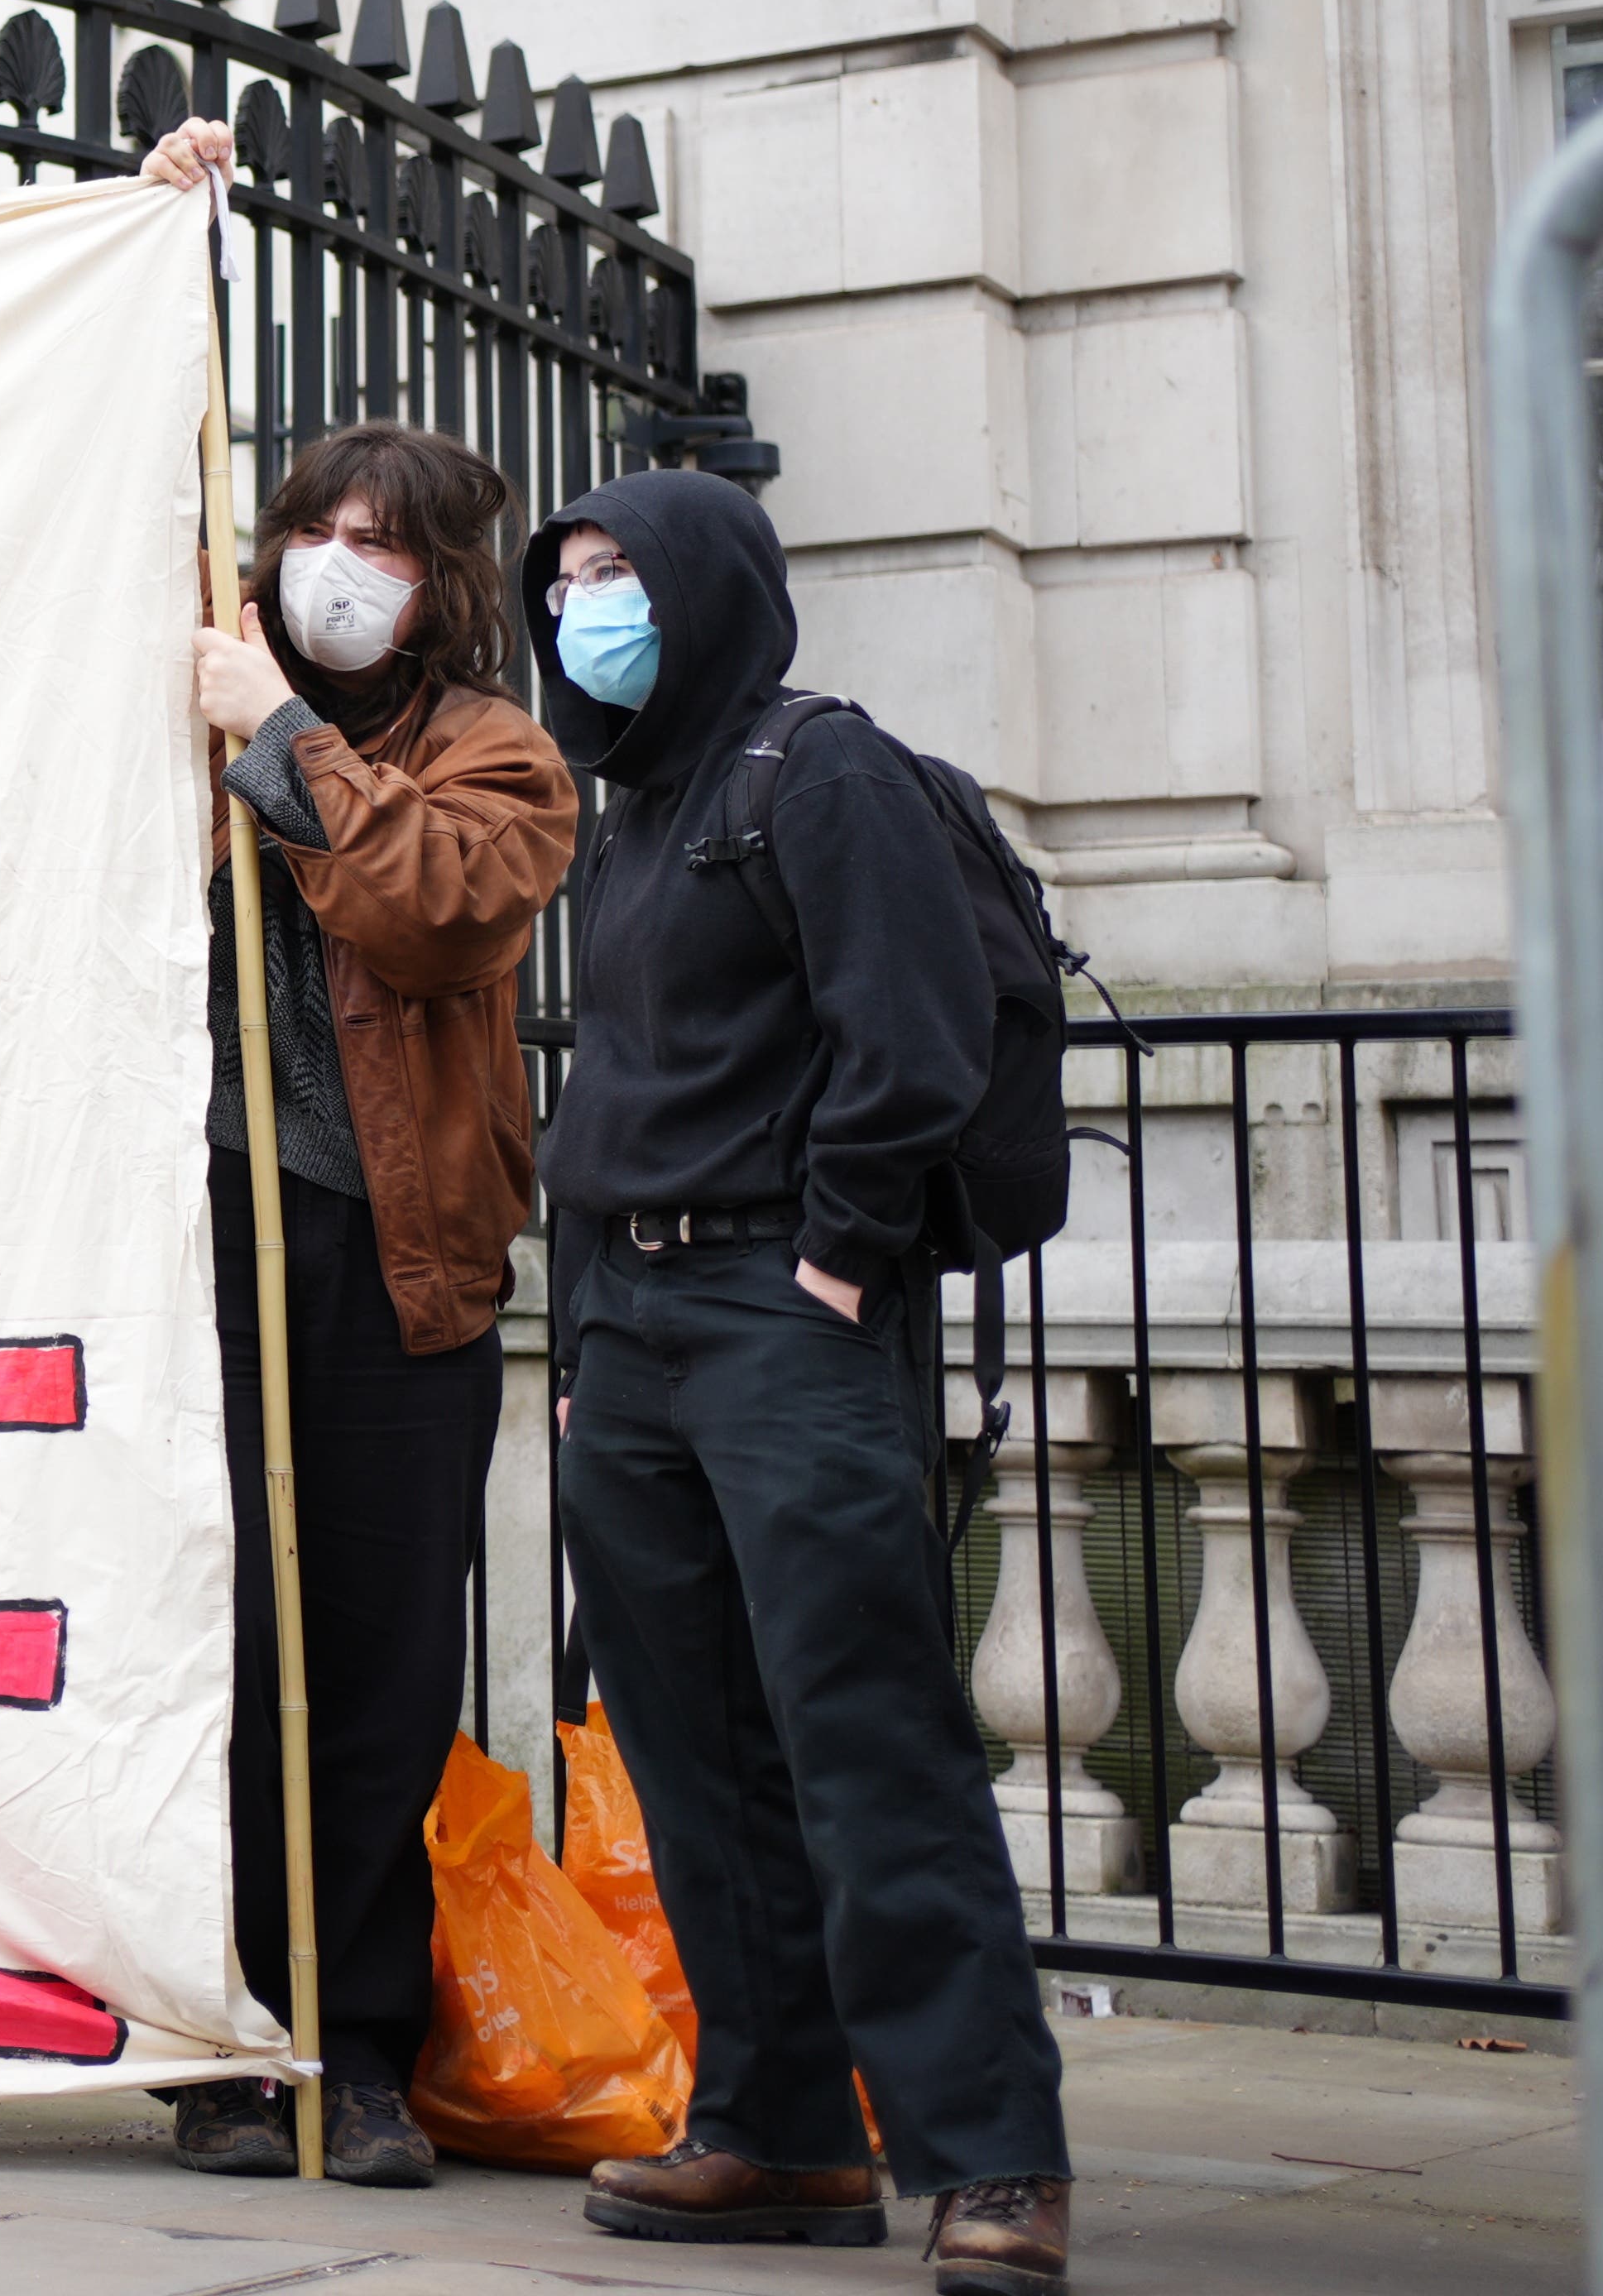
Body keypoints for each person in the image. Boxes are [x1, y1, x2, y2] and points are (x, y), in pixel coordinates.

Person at [521, 463, 1069, 2296]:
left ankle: (990, 2153)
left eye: (621, 572)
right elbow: (618, 1091)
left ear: (710, 584)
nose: (590, 600)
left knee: (864, 1732)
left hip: (787, 1308)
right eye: (571, 573)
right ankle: (778, 2126)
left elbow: (907, 1036)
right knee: (697, 1745)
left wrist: (833, 1251)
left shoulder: (813, 768)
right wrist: (595, 1326)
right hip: (637, 1332)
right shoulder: (635, 807)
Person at [154, 403, 574, 2187]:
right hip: (203, 1243)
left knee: (384, 1666)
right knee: (229, 1646)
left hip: (399, 1271)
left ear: (440, 583)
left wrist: (288, 748)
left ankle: (366, 2042)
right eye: (319, 522)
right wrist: (166, 215)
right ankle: (236, 2040)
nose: (340, 560)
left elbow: (438, 909)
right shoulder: (182, 680)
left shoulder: (500, 753)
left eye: (385, 541)